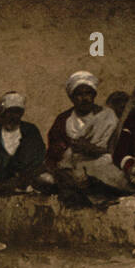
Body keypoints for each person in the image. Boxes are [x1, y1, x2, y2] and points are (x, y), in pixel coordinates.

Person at [36, 72, 128, 200]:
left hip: (102, 164)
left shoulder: (108, 116)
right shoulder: (64, 120)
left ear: (94, 95)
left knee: (109, 173)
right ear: (72, 98)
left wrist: (93, 150)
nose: (84, 98)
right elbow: (55, 153)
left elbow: (117, 148)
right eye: (79, 94)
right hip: (72, 166)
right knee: (46, 178)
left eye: (88, 93)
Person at [0, 91, 46, 195]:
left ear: (21, 114)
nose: (13, 117)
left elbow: (38, 156)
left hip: (28, 178)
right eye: (9, 112)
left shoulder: (31, 131)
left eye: (17, 112)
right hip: (2, 180)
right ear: (2, 113)